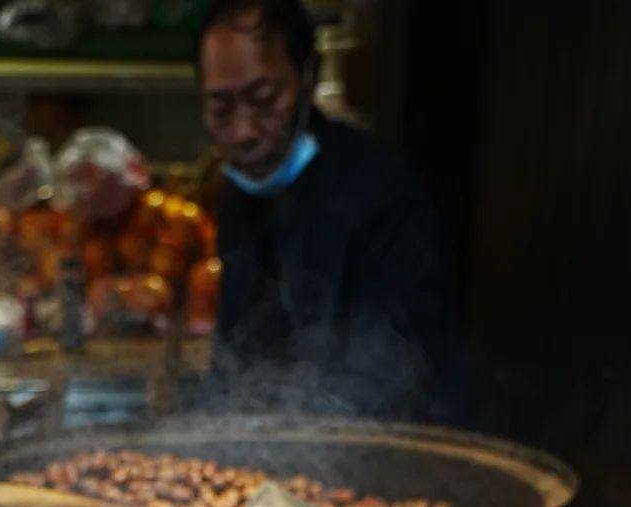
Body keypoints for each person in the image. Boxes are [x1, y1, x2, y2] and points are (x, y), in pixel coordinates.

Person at [197, 0, 461, 421]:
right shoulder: (235, 202)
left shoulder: (381, 192)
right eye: (221, 108)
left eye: (265, 100)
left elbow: (404, 368)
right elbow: (236, 350)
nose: (244, 131)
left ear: (308, 77)